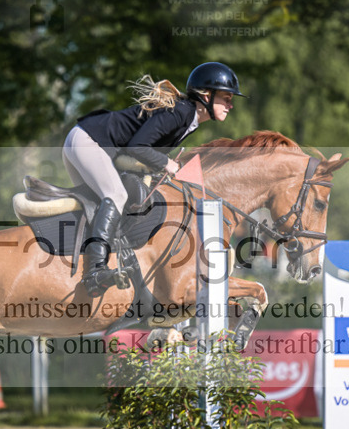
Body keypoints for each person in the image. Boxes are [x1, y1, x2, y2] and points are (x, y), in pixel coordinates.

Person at [64, 61, 246, 296]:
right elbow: (138, 146)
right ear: (205, 95)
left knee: (97, 205)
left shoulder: (188, 118)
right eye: (226, 98)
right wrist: (166, 163)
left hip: (84, 140)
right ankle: (95, 272)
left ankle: (76, 264)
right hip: (90, 141)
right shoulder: (181, 112)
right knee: (116, 196)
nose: (231, 105)